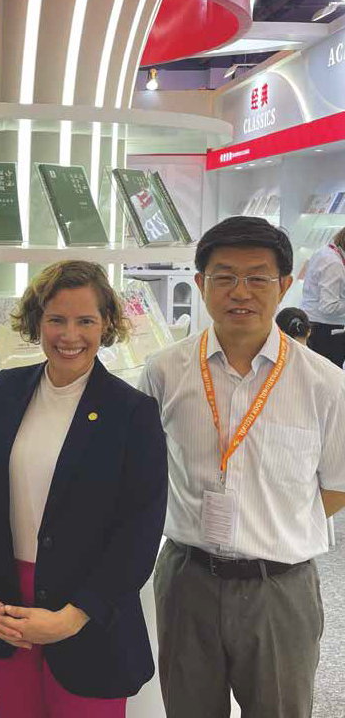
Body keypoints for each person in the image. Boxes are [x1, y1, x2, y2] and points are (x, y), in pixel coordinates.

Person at [139, 216, 345, 718]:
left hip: (280, 589)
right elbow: (141, 473)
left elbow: (337, 486)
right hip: (187, 579)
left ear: (285, 286)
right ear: (200, 283)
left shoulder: (325, 383)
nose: (241, 291)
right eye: (224, 276)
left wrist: (271, 522)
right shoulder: (164, 371)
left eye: (258, 277)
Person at [0, 260, 167, 718]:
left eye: (85, 320)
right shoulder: (8, 390)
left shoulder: (133, 412)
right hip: (7, 606)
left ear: (106, 323)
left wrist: (73, 616)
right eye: (57, 319)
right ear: (38, 321)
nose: (70, 334)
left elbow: (140, 531)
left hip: (90, 612)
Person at [301, 226, 345, 367]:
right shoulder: (334, 265)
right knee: (330, 379)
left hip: (314, 325)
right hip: (326, 331)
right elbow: (329, 306)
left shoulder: (325, 252)